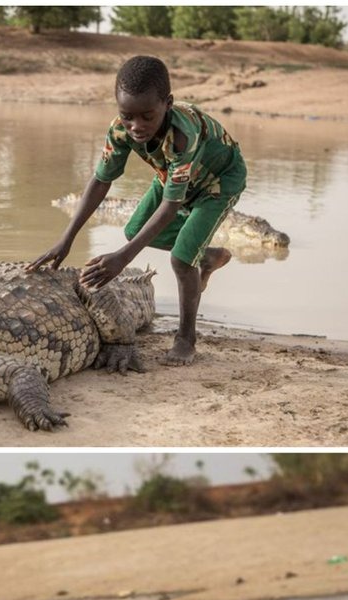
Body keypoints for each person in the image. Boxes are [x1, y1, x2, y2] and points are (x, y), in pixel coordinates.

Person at [27, 54, 247, 366]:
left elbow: (172, 205)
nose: (136, 126)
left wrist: (123, 257)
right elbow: (101, 181)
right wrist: (67, 238)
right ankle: (207, 256)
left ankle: (186, 338)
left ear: (168, 104)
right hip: (170, 175)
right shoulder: (120, 129)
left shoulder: (183, 136)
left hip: (218, 181)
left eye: (147, 116)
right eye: (127, 115)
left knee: (181, 259)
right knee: (133, 231)